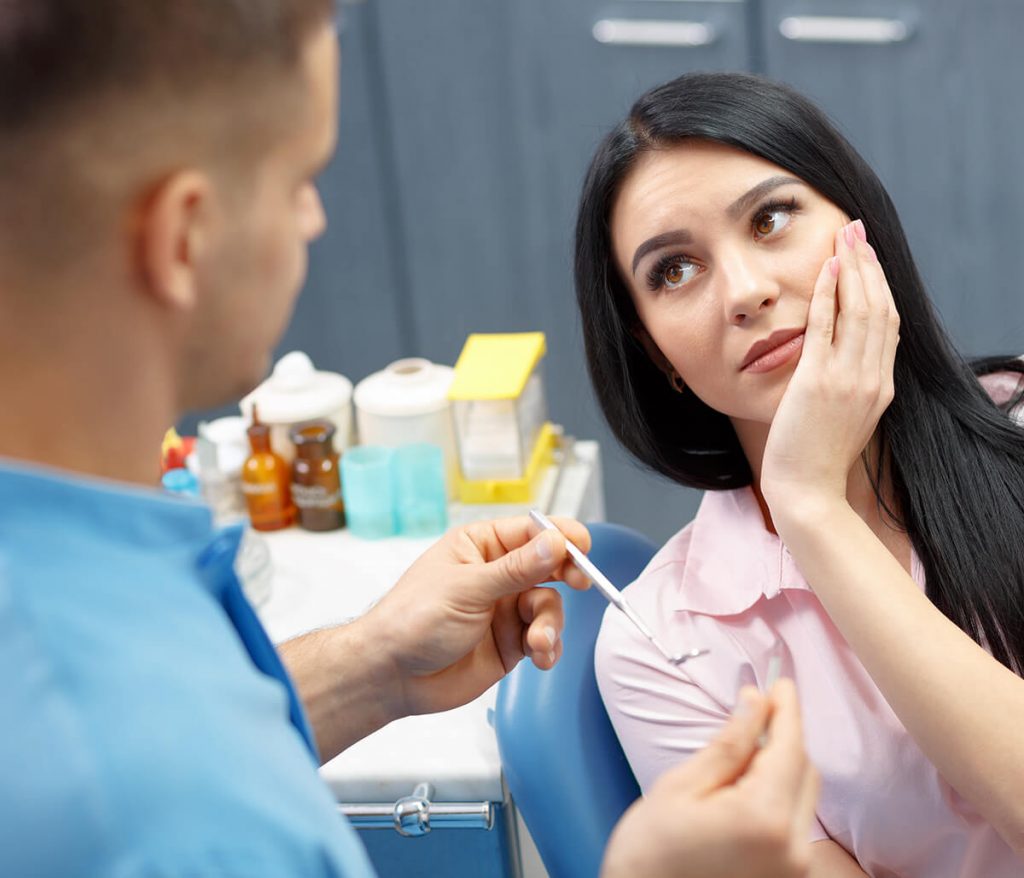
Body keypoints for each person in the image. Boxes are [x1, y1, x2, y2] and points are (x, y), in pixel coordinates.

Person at [0, 4, 823, 876]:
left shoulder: (92, 621)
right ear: (184, 240)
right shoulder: (194, 826)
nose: (313, 221)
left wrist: (372, 665)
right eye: (297, 180)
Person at [578, 69, 1024, 876]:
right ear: (656, 354)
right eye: (673, 270)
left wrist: (813, 503)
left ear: (860, 226)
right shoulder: (662, 644)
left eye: (772, 217)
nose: (746, 291)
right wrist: (808, 505)